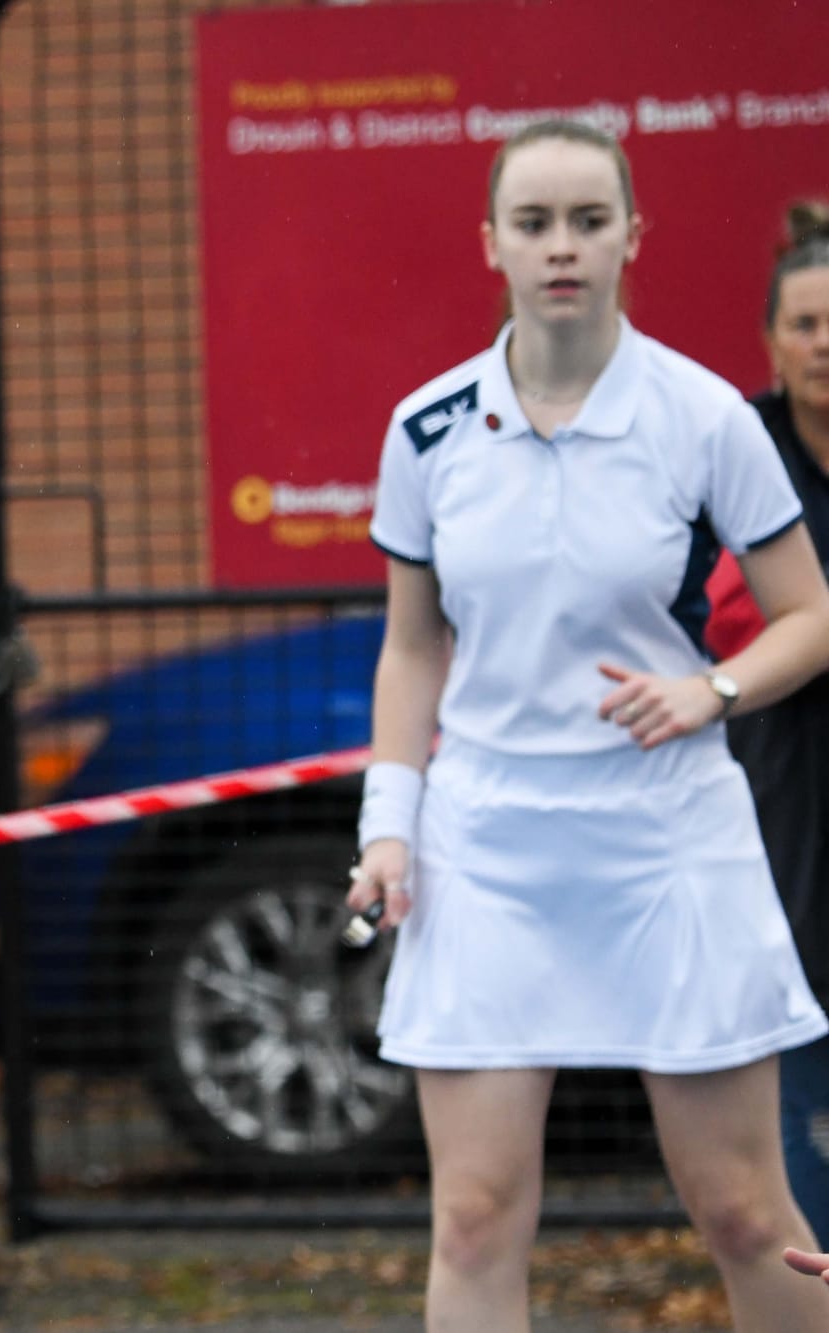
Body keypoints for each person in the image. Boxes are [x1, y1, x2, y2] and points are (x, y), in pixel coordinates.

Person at [344, 118, 829, 1333]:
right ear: (490, 244)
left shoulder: (703, 417)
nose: (559, 246)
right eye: (533, 223)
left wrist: (711, 691)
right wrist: (387, 828)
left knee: (743, 1212)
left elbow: (809, 617)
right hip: (486, 842)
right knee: (471, 1215)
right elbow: (411, 648)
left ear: (629, 237)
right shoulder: (425, 428)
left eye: (586, 220)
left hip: (669, 833)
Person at [703, 202, 829, 1251]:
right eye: (804, 324)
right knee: (795, 1076)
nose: (823, 344)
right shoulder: (740, 451)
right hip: (782, 787)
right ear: (771, 342)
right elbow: (724, 618)